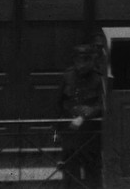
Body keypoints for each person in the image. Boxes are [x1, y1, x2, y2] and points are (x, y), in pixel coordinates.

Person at [56, 43, 105, 188]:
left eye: (85, 61)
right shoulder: (67, 76)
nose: (81, 65)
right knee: (70, 170)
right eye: (78, 61)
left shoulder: (98, 79)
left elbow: (101, 104)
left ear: (92, 61)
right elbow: (59, 102)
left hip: (90, 133)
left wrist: (84, 116)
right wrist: (57, 129)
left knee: (93, 171)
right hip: (70, 132)